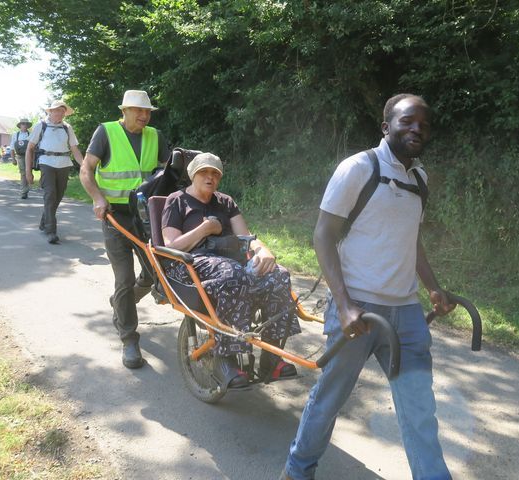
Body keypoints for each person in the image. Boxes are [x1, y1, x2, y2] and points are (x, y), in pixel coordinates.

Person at [281, 94, 456, 480]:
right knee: (329, 399)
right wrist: (343, 305)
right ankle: (297, 470)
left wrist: (432, 286)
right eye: (407, 121)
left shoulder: (419, 179)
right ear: (386, 127)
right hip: (359, 308)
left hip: (406, 314)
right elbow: (323, 235)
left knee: (419, 408)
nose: (416, 129)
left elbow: (412, 239)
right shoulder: (359, 168)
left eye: (423, 124)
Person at [161, 152, 301, 389]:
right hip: (190, 263)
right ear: (192, 174)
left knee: (278, 275)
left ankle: (272, 357)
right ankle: (224, 360)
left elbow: (245, 237)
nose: (210, 177)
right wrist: (205, 229)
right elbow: (170, 246)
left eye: (215, 174)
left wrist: (262, 250)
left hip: (231, 263)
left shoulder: (225, 201)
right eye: (204, 172)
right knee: (233, 275)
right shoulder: (176, 200)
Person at [79, 90, 171, 369]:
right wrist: (98, 198)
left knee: (156, 273)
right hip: (115, 216)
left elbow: (170, 173)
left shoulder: (155, 136)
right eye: (138, 111)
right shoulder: (106, 132)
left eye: (148, 112)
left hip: (145, 218)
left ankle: (122, 303)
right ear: (125, 111)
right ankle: (129, 338)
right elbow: (86, 170)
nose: (144, 116)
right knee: (124, 276)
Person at [25, 101, 83, 244]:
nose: (59, 113)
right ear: (49, 112)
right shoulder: (41, 126)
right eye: (56, 110)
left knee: (58, 197)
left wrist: (85, 166)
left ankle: (44, 221)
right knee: (50, 194)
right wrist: (28, 171)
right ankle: (51, 231)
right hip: (46, 162)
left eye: (62, 111)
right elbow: (30, 148)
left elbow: (74, 149)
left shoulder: (67, 127)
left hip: (64, 164)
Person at [11, 119, 33, 199]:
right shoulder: (15, 135)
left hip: (30, 156)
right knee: (23, 173)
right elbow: (12, 148)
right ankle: (24, 192)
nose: (24, 125)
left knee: (29, 172)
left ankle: (28, 187)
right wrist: (13, 159)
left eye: (26, 124)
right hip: (20, 157)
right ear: (20, 125)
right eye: (23, 124)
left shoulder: (31, 134)